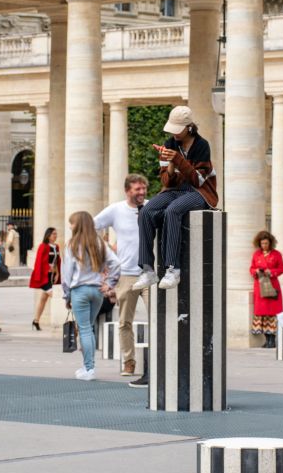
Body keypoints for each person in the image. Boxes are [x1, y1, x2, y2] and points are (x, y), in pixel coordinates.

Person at [132, 106, 218, 291]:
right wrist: (170, 163)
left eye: (177, 129)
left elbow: (199, 180)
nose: (174, 134)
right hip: (175, 189)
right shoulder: (170, 144)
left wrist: (178, 159)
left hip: (200, 192)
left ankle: (173, 269)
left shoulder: (202, 146)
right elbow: (166, 181)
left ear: (188, 127)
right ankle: (147, 269)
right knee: (146, 211)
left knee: (173, 210)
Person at [95, 174, 149, 376]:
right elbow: (92, 225)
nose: (142, 192)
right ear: (127, 190)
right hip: (126, 274)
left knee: (159, 319)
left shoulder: (151, 208)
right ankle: (129, 362)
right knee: (124, 321)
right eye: (137, 189)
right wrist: (106, 252)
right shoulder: (116, 210)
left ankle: (159, 360)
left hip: (150, 273)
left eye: (143, 189)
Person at [62, 211, 121, 381]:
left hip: (79, 290)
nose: (70, 226)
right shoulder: (99, 243)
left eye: (71, 223)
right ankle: (87, 366)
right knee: (90, 329)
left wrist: (67, 296)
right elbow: (116, 263)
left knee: (85, 329)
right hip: (97, 291)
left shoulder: (72, 245)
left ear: (78, 225)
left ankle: (89, 368)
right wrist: (109, 283)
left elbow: (67, 274)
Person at [250, 230, 283, 348]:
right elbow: (251, 268)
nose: (264, 245)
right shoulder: (256, 254)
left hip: (272, 286)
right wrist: (255, 271)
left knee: (272, 313)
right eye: (262, 243)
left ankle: (272, 340)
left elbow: (281, 269)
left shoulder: (277, 254)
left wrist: (272, 272)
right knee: (262, 314)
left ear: (270, 243)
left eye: (266, 243)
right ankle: (266, 339)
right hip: (259, 286)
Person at [29, 227, 60, 330]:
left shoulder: (56, 246)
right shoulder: (43, 246)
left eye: (56, 234)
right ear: (48, 235)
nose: (55, 236)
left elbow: (57, 261)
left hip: (52, 275)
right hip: (44, 276)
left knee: (43, 299)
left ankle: (36, 321)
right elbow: (39, 261)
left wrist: (57, 273)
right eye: (53, 234)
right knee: (55, 296)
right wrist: (48, 269)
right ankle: (60, 320)